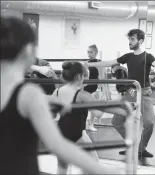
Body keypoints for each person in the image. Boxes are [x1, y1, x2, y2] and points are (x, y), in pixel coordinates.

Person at [0, 16, 121, 174]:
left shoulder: (29, 96)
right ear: (29, 50)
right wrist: (102, 171)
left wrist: (46, 99)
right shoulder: (29, 94)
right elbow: (57, 145)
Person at [84, 29, 155, 158]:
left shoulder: (148, 57)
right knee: (116, 121)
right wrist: (89, 65)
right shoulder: (128, 56)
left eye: (133, 39)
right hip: (131, 92)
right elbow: (109, 63)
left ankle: (141, 149)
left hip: (143, 92)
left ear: (141, 41)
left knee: (149, 123)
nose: (130, 42)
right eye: (129, 39)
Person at [53, 61, 129, 174]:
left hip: (60, 133)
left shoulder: (57, 92)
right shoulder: (82, 95)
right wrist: (125, 111)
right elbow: (103, 108)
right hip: (77, 135)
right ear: (79, 76)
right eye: (85, 77)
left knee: (62, 167)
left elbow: (52, 110)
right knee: (92, 164)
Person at [84, 44, 107, 132]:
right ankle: (85, 124)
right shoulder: (87, 63)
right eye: (88, 52)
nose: (89, 54)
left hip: (95, 87)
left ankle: (91, 124)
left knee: (94, 106)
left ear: (96, 53)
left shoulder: (98, 62)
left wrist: (100, 89)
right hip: (86, 87)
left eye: (91, 52)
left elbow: (101, 76)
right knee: (85, 107)